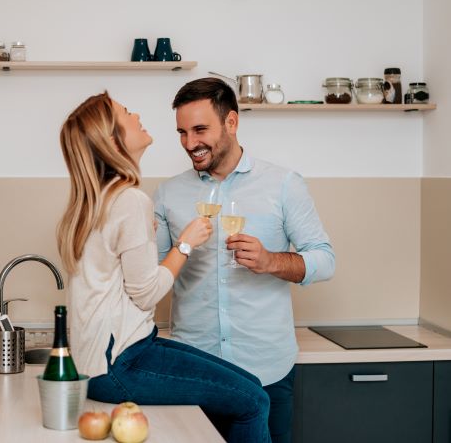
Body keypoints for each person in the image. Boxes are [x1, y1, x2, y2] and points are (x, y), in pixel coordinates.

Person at [57, 91, 272, 443]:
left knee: (249, 386)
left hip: (106, 359)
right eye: (126, 112)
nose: (136, 114)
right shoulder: (128, 199)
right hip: (119, 364)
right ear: (113, 139)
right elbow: (145, 294)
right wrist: (185, 243)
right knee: (254, 401)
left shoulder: (98, 199)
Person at [154, 77, 336, 443]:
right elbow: (153, 277)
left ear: (232, 122)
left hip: (267, 371)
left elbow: (325, 259)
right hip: (196, 372)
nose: (190, 143)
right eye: (182, 133)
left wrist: (271, 261)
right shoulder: (169, 194)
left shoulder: (284, 184)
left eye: (200, 129)